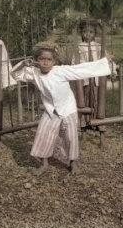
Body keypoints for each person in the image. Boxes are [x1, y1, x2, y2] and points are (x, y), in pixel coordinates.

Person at [12, 46, 113, 175]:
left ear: (54, 61)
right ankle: (44, 164)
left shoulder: (60, 71)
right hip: (51, 110)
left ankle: (73, 163)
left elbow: (81, 70)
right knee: (43, 134)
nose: (45, 62)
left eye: (49, 59)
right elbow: (15, 75)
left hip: (67, 109)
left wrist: (104, 62)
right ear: (37, 60)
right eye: (42, 59)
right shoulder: (34, 73)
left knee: (70, 137)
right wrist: (22, 64)